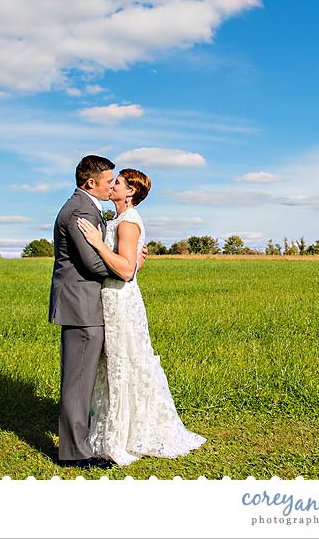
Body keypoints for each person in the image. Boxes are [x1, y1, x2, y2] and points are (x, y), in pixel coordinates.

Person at [77, 168, 206, 466]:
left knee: (126, 362)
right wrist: (134, 261)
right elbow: (130, 266)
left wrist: (97, 243)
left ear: (131, 192)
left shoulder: (129, 222)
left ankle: (125, 436)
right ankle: (116, 428)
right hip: (111, 298)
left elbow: (124, 271)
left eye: (118, 183)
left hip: (121, 301)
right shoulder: (117, 220)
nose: (112, 186)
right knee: (115, 365)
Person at [48, 155, 146, 470]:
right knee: (78, 381)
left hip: (90, 304)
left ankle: (87, 442)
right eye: (108, 181)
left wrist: (130, 263)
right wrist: (127, 267)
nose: (110, 186)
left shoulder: (90, 209)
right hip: (81, 306)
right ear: (91, 183)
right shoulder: (79, 210)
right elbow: (92, 263)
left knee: (86, 380)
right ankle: (75, 454)